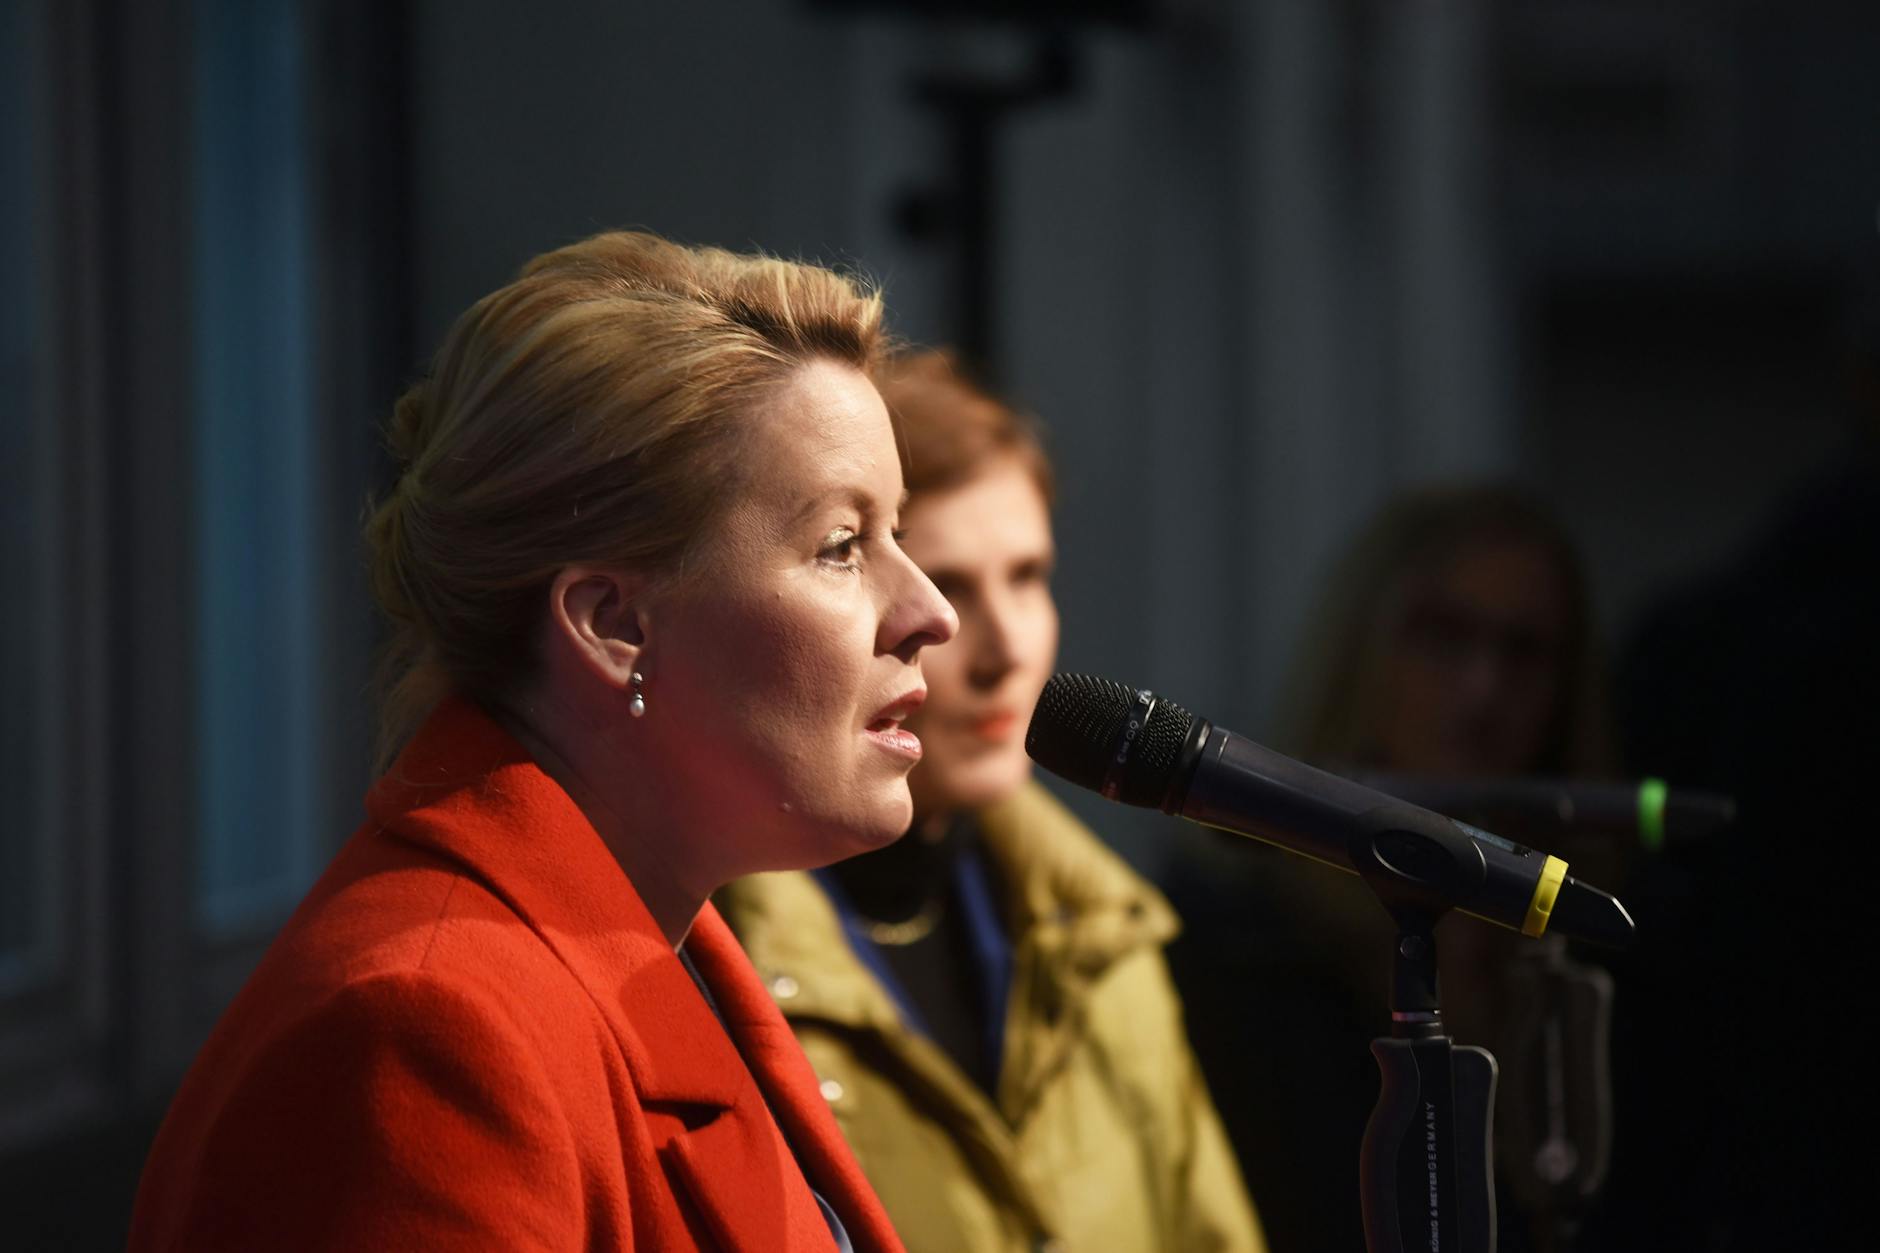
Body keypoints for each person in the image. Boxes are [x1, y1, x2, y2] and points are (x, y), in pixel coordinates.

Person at [128, 230, 960, 1251]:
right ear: (613, 624)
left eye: (898, 536)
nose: (928, 611)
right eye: (839, 545)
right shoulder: (424, 1032)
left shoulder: (663, 939)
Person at [715, 351, 1266, 1253]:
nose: (1004, 645)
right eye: (949, 583)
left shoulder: (1105, 939)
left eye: (1027, 576)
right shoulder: (720, 953)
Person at [1165, 483, 1615, 1253]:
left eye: (1524, 650)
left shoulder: (1602, 937)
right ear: (1363, 651)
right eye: (1444, 636)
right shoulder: (1237, 943)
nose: (1483, 688)